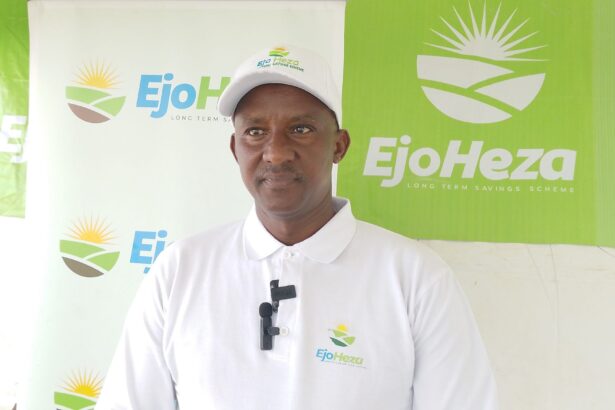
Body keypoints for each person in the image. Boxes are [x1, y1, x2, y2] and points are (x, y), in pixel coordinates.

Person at [96, 45, 498, 409]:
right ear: (235, 149)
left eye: (301, 129)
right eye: (255, 132)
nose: (276, 153)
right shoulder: (180, 270)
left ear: (338, 146)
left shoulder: (414, 277)